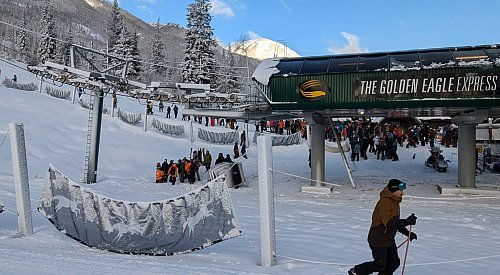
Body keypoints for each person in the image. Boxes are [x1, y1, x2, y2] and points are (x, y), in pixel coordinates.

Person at [349, 179, 417, 275]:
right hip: (378, 239)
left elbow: (395, 223)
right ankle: (356, 271)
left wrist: (408, 233)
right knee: (380, 265)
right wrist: (406, 221)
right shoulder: (384, 202)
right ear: (393, 190)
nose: (403, 193)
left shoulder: (395, 202)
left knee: (393, 263)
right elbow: (389, 223)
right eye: (400, 190)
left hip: (388, 239)